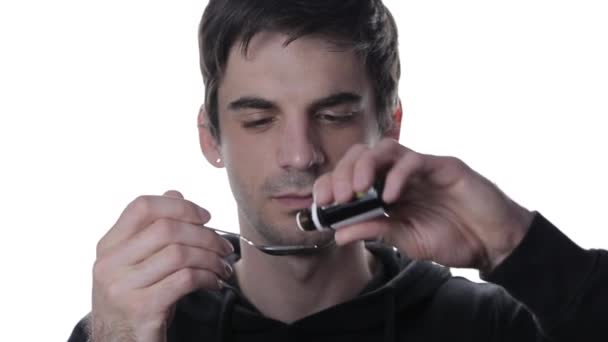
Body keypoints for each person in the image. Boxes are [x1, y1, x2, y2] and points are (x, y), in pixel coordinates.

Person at [68, 0, 608, 341]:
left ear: (389, 125)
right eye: (259, 119)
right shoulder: (141, 322)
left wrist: (517, 245)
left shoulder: (492, 325)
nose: (300, 155)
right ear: (211, 136)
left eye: (334, 115)